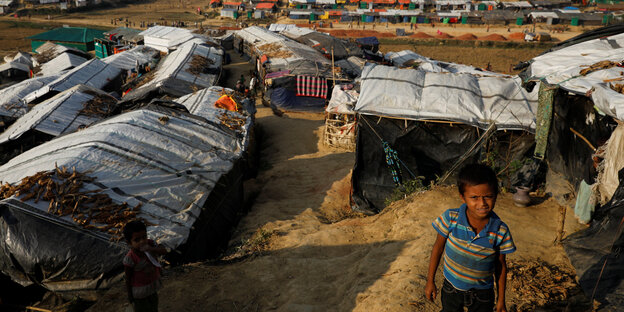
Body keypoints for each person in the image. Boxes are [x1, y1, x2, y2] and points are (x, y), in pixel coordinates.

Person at [425, 164, 516, 312]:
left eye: (488, 196)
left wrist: (501, 300)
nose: (482, 203)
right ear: (463, 197)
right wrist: (430, 281)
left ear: (496, 195)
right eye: (474, 197)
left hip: (482, 294)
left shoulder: (500, 230)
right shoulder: (450, 218)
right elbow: (438, 248)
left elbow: (500, 266)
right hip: (451, 288)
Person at [123, 220, 167, 312]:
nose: (142, 241)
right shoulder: (130, 258)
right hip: (140, 292)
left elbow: (164, 250)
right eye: (137, 240)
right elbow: (128, 278)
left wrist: (151, 249)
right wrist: (130, 295)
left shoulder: (150, 244)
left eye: (144, 237)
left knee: (154, 306)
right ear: (129, 243)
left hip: (152, 286)